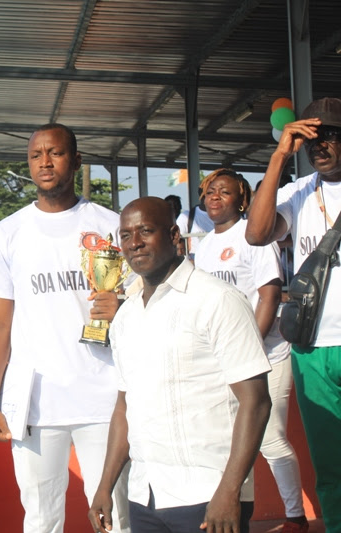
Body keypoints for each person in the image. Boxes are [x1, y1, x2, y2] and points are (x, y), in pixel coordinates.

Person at [0, 123, 129, 533]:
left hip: (105, 397)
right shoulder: (6, 234)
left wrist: (123, 306)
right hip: (35, 401)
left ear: (76, 161)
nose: (45, 162)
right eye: (36, 155)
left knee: (114, 517)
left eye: (55, 153)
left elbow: (141, 302)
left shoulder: (112, 226)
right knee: (41, 518)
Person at [88, 196, 271, 533]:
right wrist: (105, 486)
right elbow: (125, 406)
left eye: (146, 231)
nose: (135, 243)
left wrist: (229, 491)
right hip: (145, 496)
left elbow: (256, 401)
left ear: (174, 235)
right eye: (126, 235)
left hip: (209, 495)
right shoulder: (126, 316)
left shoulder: (218, 299)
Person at [246, 96, 341, 530]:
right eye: (311, 138)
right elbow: (256, 233)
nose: (320, 145)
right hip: (312, 348)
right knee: (330, 463)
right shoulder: (297, 192)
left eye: (330, 135)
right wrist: (280, 155)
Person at [195, 169, 308, 532]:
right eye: (210, 191)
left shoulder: (254, 238)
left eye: (224, 192)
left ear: (242, 201)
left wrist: (249, 348)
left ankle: (295, 516)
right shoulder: (204, 246)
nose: (214, 197)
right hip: (224, 360)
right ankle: (232, 514)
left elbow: (270, 296)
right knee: (229, 442)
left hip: (266, 356)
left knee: (270, 439)